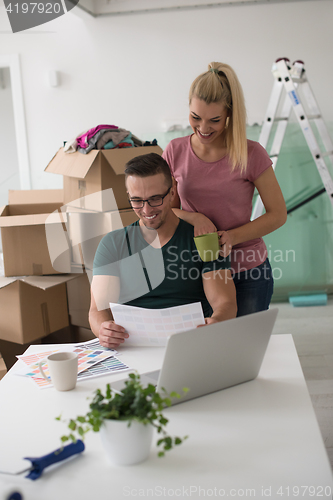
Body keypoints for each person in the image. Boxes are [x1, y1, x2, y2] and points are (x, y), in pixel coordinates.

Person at [162, 62, 287, 317]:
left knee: (243, 352)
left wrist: (232, 237)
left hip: (248, 271)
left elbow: (277, 214)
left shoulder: (251, 153)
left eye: (214, 120)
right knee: (202, 351)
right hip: (195, 270)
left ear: (229, 113)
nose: (204, 128)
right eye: (195, 117)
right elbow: (165, 210)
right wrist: (195, 217)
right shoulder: (175, 151)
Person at [89, 153, 237, 348]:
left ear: (173, 191)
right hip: (132, 347)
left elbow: (224, 303)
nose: (146, 210)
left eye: (155, 199)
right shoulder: (113, 244)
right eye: (136, 200)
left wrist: (216, 321)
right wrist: (103, 329)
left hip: (191, 344)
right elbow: (97, 310)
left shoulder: (202, 240)